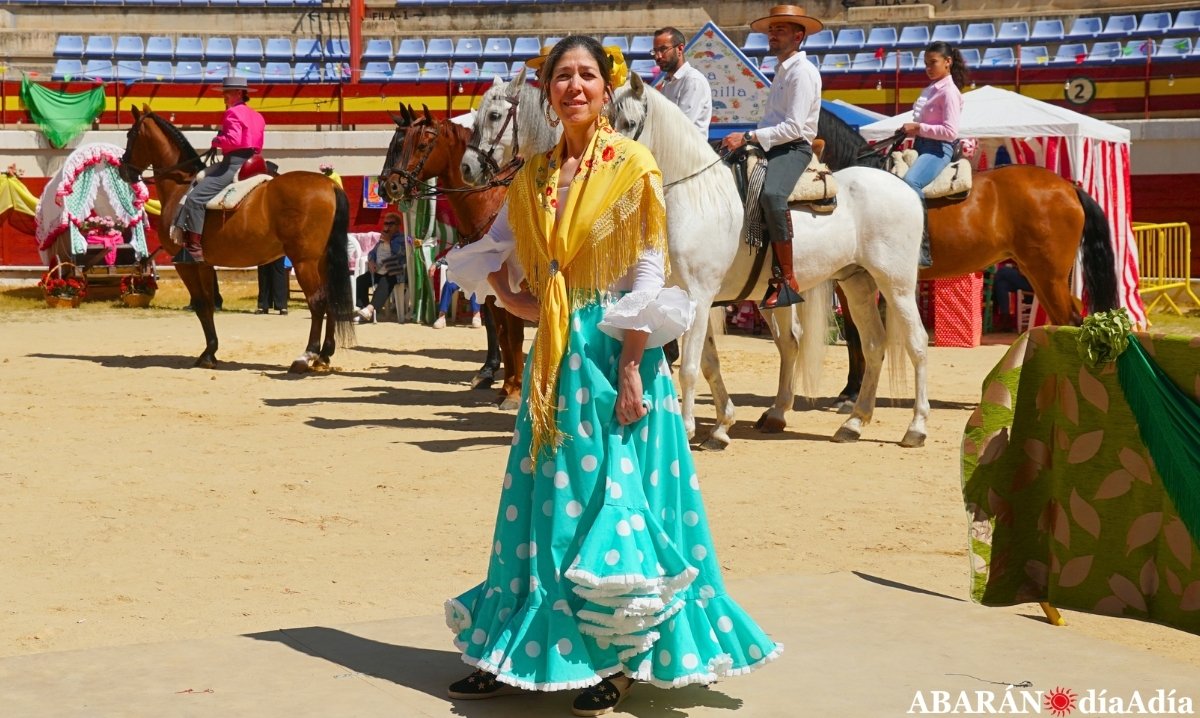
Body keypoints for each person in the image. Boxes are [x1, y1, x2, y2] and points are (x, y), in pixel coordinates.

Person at [442, 36, 781, 716]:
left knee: (611, 499)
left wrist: (631, 364)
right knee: (544, 502)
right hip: (555, 357)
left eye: (587, 75)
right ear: (547, 92)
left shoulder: (633, 165)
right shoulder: (534, 177)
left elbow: (649, 269)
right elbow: (497, 251)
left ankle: (621, 658)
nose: (574, 86)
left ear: (605, 88)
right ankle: (521, 646)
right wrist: (512, 299)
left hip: (613, 354)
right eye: (562, 76)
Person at [720, 4, 823, 309]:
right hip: (773, 145)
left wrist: (748, 137)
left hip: (794, 147)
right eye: (771, 30)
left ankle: (787, 279)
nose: (772, 35)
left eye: (780, 30)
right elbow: (773, 122)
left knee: (772, 195)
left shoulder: (802, 73)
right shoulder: (782, 71)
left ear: (798, 36)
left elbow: (793, 128)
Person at [173, 76, 266, 263]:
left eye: (227, 92)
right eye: (224, 92)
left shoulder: (232, 113)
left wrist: (217, 140)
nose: (224, 96)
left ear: (239, 93)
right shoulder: (257, 115)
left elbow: (233, 140)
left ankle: (194, 248)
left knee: (195, 198)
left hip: (233, 163)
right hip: (255, 161)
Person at [901, 41, 969, 268]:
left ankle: (922, 246)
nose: (928, 68)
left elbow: (950, 132)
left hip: (938, 149)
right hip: (921, 146)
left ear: (948, 62)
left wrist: (918, 128)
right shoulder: (931, 89)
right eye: (926, 64)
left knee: (911, 182)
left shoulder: (949, 92)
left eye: (933, 63)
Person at [652, 26, 712, 138]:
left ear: (680, 49)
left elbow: (681, 126)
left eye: (663, 49)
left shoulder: (693, 80)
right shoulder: (667, 83)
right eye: (655, 51)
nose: (658, 56)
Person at [355, 212, 408, 324]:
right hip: (379, 270)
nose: (387, 226)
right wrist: (371, 261)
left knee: (385, 281)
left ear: (398, 226)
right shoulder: (382, 238)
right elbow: (372, 252)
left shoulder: (401, 239)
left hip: (394, 271)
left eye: (391, 224)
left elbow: (401, 254)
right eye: (385, 223)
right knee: (361, 280)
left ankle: (370, 309)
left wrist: (389, 242)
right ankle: (363, 309)